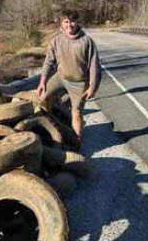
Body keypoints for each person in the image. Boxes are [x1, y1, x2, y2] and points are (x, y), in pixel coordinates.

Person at [36, 9, 102, 143]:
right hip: (60, 77)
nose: (69, 25)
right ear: (61, 23)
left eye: (72, 21)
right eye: (66, 21)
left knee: (76, 111)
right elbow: (48, 62)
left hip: (79, 82)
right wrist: (42, 82)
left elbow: (95, 67)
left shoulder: (86, 41)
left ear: (77, 22)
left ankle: (76, 141)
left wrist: (92, 87)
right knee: (43, 98)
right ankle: (51, 126)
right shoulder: (57, 41)